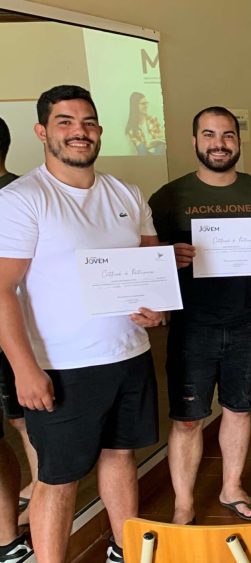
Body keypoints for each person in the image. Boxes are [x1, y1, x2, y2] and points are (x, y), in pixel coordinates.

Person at [0, 85, 161, 563]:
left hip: (129, 354)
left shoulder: (126, 193)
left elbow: (151, 269)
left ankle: (125, 551)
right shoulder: (22, 199)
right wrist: (24, 369)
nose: (79, 131)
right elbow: (2, 289)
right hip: (62, 366)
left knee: (120, 455)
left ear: (100, 130)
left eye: (88, 122)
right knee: (57, 478)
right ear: (41, 132)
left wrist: (157, 308)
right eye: (65, 122)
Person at [148, 107, 251, 524]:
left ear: (238, 141)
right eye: (209, 134)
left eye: (228, 135)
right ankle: (183, 504)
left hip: (249, 320)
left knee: (239, 409)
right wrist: (167, 256)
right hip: (192, 326)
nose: (219, 143)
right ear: (194, 141)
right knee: (188, 420)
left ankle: (231, 487)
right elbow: (145, 259)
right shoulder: (169, 198)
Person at [0, 114, 33, 563]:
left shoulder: (23, 198)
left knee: (26, 423)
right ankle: (9, 536)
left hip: (16, 334)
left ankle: (39, 500)